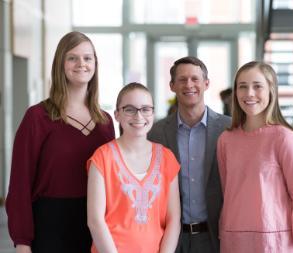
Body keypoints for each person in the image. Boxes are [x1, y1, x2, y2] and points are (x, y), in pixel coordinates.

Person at [5, 31, 115, 253]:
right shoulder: (38, 117)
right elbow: (20, 184)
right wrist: (23, 242)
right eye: (72, 58)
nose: (81, 64)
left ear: (95, 64)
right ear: (60, 64)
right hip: (50, 226)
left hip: (97, 228)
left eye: (87, 57)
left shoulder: (106, 122)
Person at [217, 61, 293, 253]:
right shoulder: (226, 140)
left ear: (271, 91)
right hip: (233, 238)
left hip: (275, 240)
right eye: (243, 87)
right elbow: (228, 191)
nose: (249, 93)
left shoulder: (285, 138)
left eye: (257, 86)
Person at [148, 56, 231, 253]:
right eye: (182, 80)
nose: (189, 85)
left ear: (206, 83)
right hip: (172, 239)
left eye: (195, 79)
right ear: (172, 86)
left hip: (215, 237)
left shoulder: (229, 129)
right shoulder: (156, 132)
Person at [87, 82, 181, 253]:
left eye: (145, 109)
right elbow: (95, 220)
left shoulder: (167, 158)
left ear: (153, 113)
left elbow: (173, 219)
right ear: (116, 115)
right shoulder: (102, 157)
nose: (138, 116)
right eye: (129, 109)